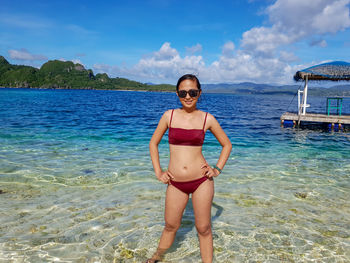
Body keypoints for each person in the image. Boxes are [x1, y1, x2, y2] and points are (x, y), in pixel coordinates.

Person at [147, 74, 232, 263]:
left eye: (192, 92)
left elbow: (227, 145)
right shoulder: (169, 116)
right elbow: (153, 144)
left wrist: (217, 169)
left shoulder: (206, 119)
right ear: (177, 94)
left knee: (203, 228)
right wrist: (158, 172)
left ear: (199, 93)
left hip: (201, 181)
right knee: (170, 225)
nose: (187, 96)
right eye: (183, 92)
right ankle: (156, 257)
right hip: (175, 183)